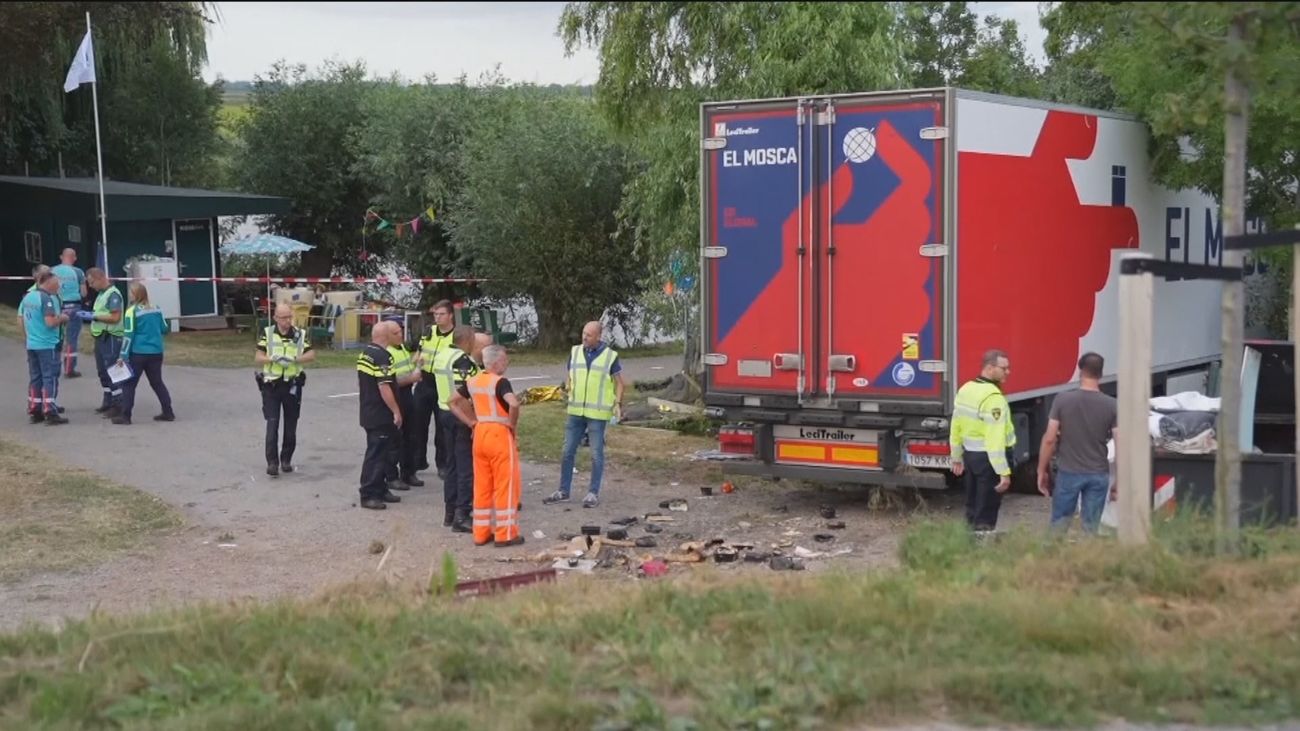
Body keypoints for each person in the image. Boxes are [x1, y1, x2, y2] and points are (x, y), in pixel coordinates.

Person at [544, 320, 626, 509]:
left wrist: (617, 404)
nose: (584, 338)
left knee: (596, 453)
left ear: (598, 336)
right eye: (583, 333)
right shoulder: (575, 352)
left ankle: (592, 493)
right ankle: (563, 491)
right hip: (575, 411)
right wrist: (567, 388)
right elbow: (570, 375)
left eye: (589, 335)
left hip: (597, 413)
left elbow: (620, 383)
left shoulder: (610, 356)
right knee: (567, 451)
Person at [1037, 352, 1118, 535]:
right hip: (1098, 473)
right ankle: (1087, 553)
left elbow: (1049, 439)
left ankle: (1053, 553)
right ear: (1101, 374)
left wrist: (1041, 470)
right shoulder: (1112, 404)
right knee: (1091, 528)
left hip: (1069, 472)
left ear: (1080, 371)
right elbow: (1121, 444)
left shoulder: (1062, 400)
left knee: (1059, 525)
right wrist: (1119, 479)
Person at [452, 344, 525, 548]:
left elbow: (452, 401)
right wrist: (511, 424)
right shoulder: (500, 382)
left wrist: (471, 422)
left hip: (480, 433)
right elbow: (514, 403)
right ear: (496, 362)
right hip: (499, 434)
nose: (507, 363)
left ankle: (481, 533)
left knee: (482, 486)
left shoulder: (473, 381)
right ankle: (505, 534)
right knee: (505, 485)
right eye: (505, 360)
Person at [949, 349, 1016, 532]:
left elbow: (956, 425)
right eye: (1004, 368)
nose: (1008, 372)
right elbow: (995, 440)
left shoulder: (966, 389)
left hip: (971, 458)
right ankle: (981, 545)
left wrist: (956, 456)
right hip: (988, 462)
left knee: (972, 507)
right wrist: (1003, 472)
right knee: (986, 511)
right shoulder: (993, 398)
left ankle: (967, 543)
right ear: (990, 368)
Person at [255, 303, 316, 476]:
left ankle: (286, 459)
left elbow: (311, 354)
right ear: (275, 318)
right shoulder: (268, 333)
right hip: (272, 385)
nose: (287, 321)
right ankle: (272, 463)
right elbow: (258, 357)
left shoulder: (299, 334)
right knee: (272, 424)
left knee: (291, 425)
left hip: (292, 385)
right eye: (283, 317)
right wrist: (272, 359)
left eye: (289, 317)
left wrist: (296, 359)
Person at [431, 325, 480, 532]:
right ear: (467, 339)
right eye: (474, 339)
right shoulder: (462, 361)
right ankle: (462, 514)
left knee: (451, 465)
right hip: (459, 416)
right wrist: (473, 420)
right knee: (465, 468)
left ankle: (450, 512)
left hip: (444, 412)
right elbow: (463, 395)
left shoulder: (442, 355)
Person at [356, 321, 403, 510]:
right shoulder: (382, 356)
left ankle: (381, 488)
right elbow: (384, 387)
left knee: (382, 453)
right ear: (386, 336)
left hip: (369, 410)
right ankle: (369, 493)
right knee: (376, 454)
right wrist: (396, 410)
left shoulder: (366, 352)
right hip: (380, 413)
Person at [115, 283, 175, 425]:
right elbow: (164, 328)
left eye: (131, 292)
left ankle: (125, 416)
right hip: (156, 352)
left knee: (129, 384)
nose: (129, 295)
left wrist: (123, 355)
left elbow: (128, 334)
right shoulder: (156, 308)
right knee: (157, 383)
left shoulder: (131, 311)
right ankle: (168, 412)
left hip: (138, 353)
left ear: (136, 295)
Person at [413, 300, 456, 478]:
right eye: (435, 314)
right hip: (425, 381)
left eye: (441, 314)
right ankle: (417, 461)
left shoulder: (456, 336)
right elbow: (420, 349)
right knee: (417, 424)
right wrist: (417, 359)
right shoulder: (429, 331)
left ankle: (443, 464)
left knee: (442, 427)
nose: (437, 318)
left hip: (443, 384)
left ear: (450, 315)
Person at [21, 271, 70, 425]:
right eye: (56, 284)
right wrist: (62, 318)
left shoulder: (28, 297)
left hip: (32, 343)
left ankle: (35, 408)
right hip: (47, 344)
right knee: (50, 377)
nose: (58, 287)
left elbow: (23, 318)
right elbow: (50, 322)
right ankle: (50, 410)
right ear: (48, 283)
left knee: (35, 377)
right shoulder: (46, 299)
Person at [384, 316, 425, 489]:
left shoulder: (401, 348)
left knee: (411, 435)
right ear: (386, 335)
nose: (400, 335)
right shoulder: (386, 353)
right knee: (394, 438)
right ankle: (391, 476)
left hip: (408, 395)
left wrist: (417, 365)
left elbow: (406, 370)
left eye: (401, 331)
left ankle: (409, 472)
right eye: (396, 333)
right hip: (396, 395)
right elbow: (390, 382)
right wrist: (412, 378)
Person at [79, 268, 126, 417]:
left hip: (111, 336)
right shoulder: (101, 294)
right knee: (103, 371)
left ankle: (119, 404)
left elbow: (115, 317)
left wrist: (94, 316)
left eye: (92, 282)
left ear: (100, 278)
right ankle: (108, 400)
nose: (91, 286)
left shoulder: (113, 294)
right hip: (101, 336)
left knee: (113, 371)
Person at [51, 248, 87, 378]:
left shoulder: (52, 271)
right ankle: (69, 368)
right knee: (72, 338)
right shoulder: (78, 272)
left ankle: (53, 366)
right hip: (74, 306)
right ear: (74, 258)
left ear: (61, 257)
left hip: (57, 306)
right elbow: (84, 293)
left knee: (55, 337)